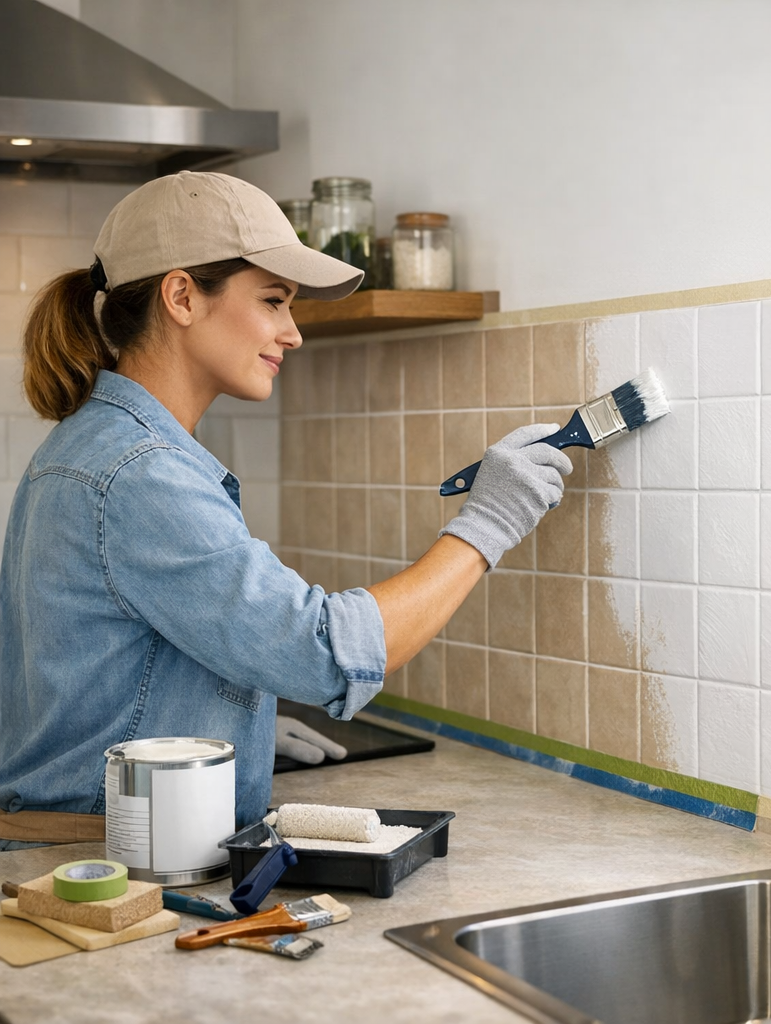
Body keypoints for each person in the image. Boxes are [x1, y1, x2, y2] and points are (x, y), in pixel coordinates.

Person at [0, 171, 572, 849]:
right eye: (274, 300)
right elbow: (322, 653)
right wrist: (487, 526)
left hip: (106, 839)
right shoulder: (139, 471)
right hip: (111, 862)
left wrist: (238, 728)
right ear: (181, 296)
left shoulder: (101, 444)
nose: (292, 333)